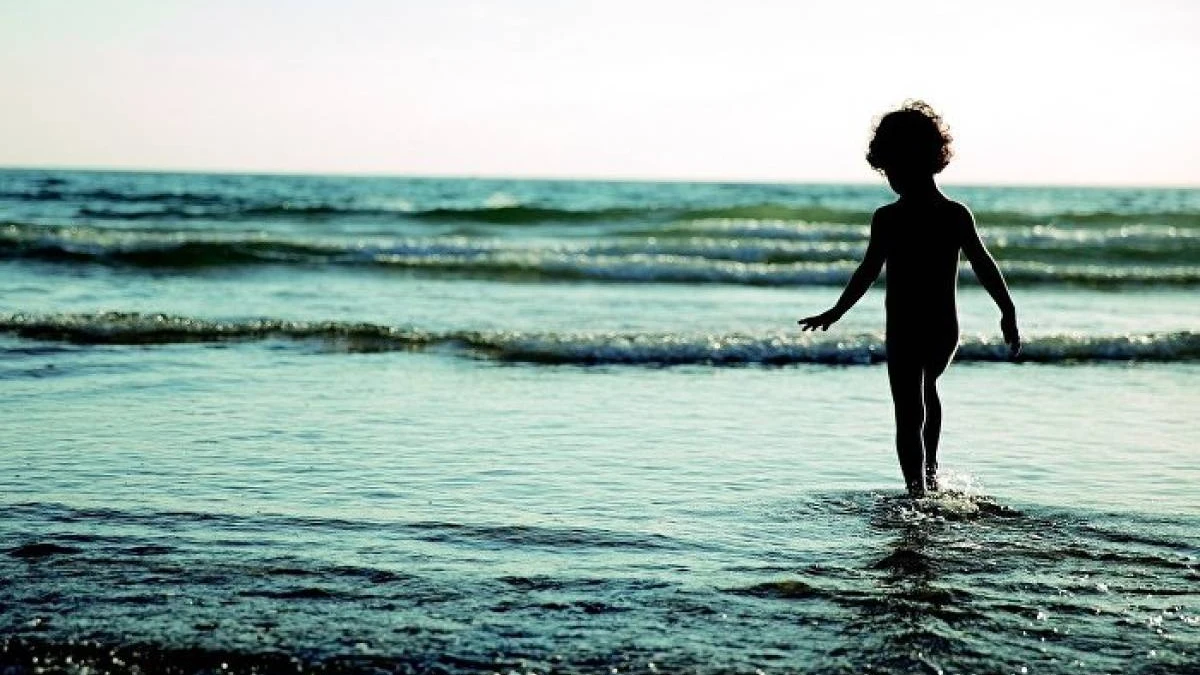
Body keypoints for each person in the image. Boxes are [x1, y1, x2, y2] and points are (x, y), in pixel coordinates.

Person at [798, 100, 1020, 498]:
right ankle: (929, 477)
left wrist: (1008, 311)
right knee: (925, 392)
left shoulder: (899, 217)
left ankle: (917, 492)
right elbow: (981, 264)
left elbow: (869, 272)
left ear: (912, 162)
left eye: (892, 169)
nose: (890, 178)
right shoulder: (948, 213)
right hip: (940, 329)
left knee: (908, 410)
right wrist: (1007, 310)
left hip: (908, 329)